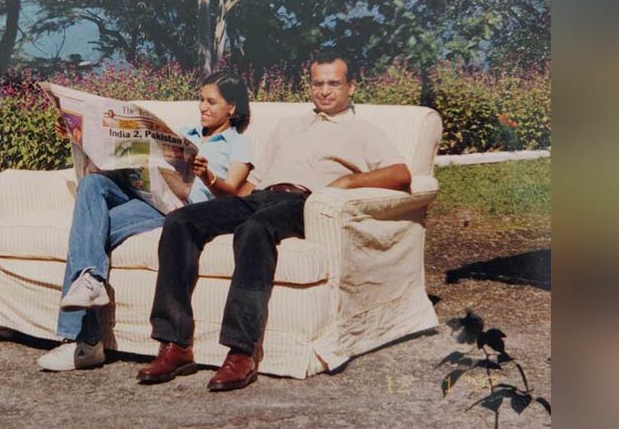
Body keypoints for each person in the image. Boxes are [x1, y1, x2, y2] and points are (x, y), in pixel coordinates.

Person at [137, 51, 412, 391]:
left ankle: (241, 352)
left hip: (305, 201)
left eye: (334, 83)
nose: (324, 91)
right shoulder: (289, 125)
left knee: (255, 229)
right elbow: (255, 182)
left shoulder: (363, 131)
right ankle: (175, 344)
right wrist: (215, 195)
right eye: (318, 83)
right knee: (181, 221)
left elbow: (402, 175)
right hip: (261, 196)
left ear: (351, 87)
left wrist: (346, 182)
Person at [37, 71, 254, 371]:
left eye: (211, 102)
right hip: (149, 196)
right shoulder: (184, 133)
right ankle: (91, 281)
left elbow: (232, 191)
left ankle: (85, 343)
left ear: (231, 107)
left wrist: (208, 175)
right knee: (91, 186)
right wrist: (78, 135)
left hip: (181, 211)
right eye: (201, 100)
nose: (203, 107)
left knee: (88, 233)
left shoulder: (238, 143)